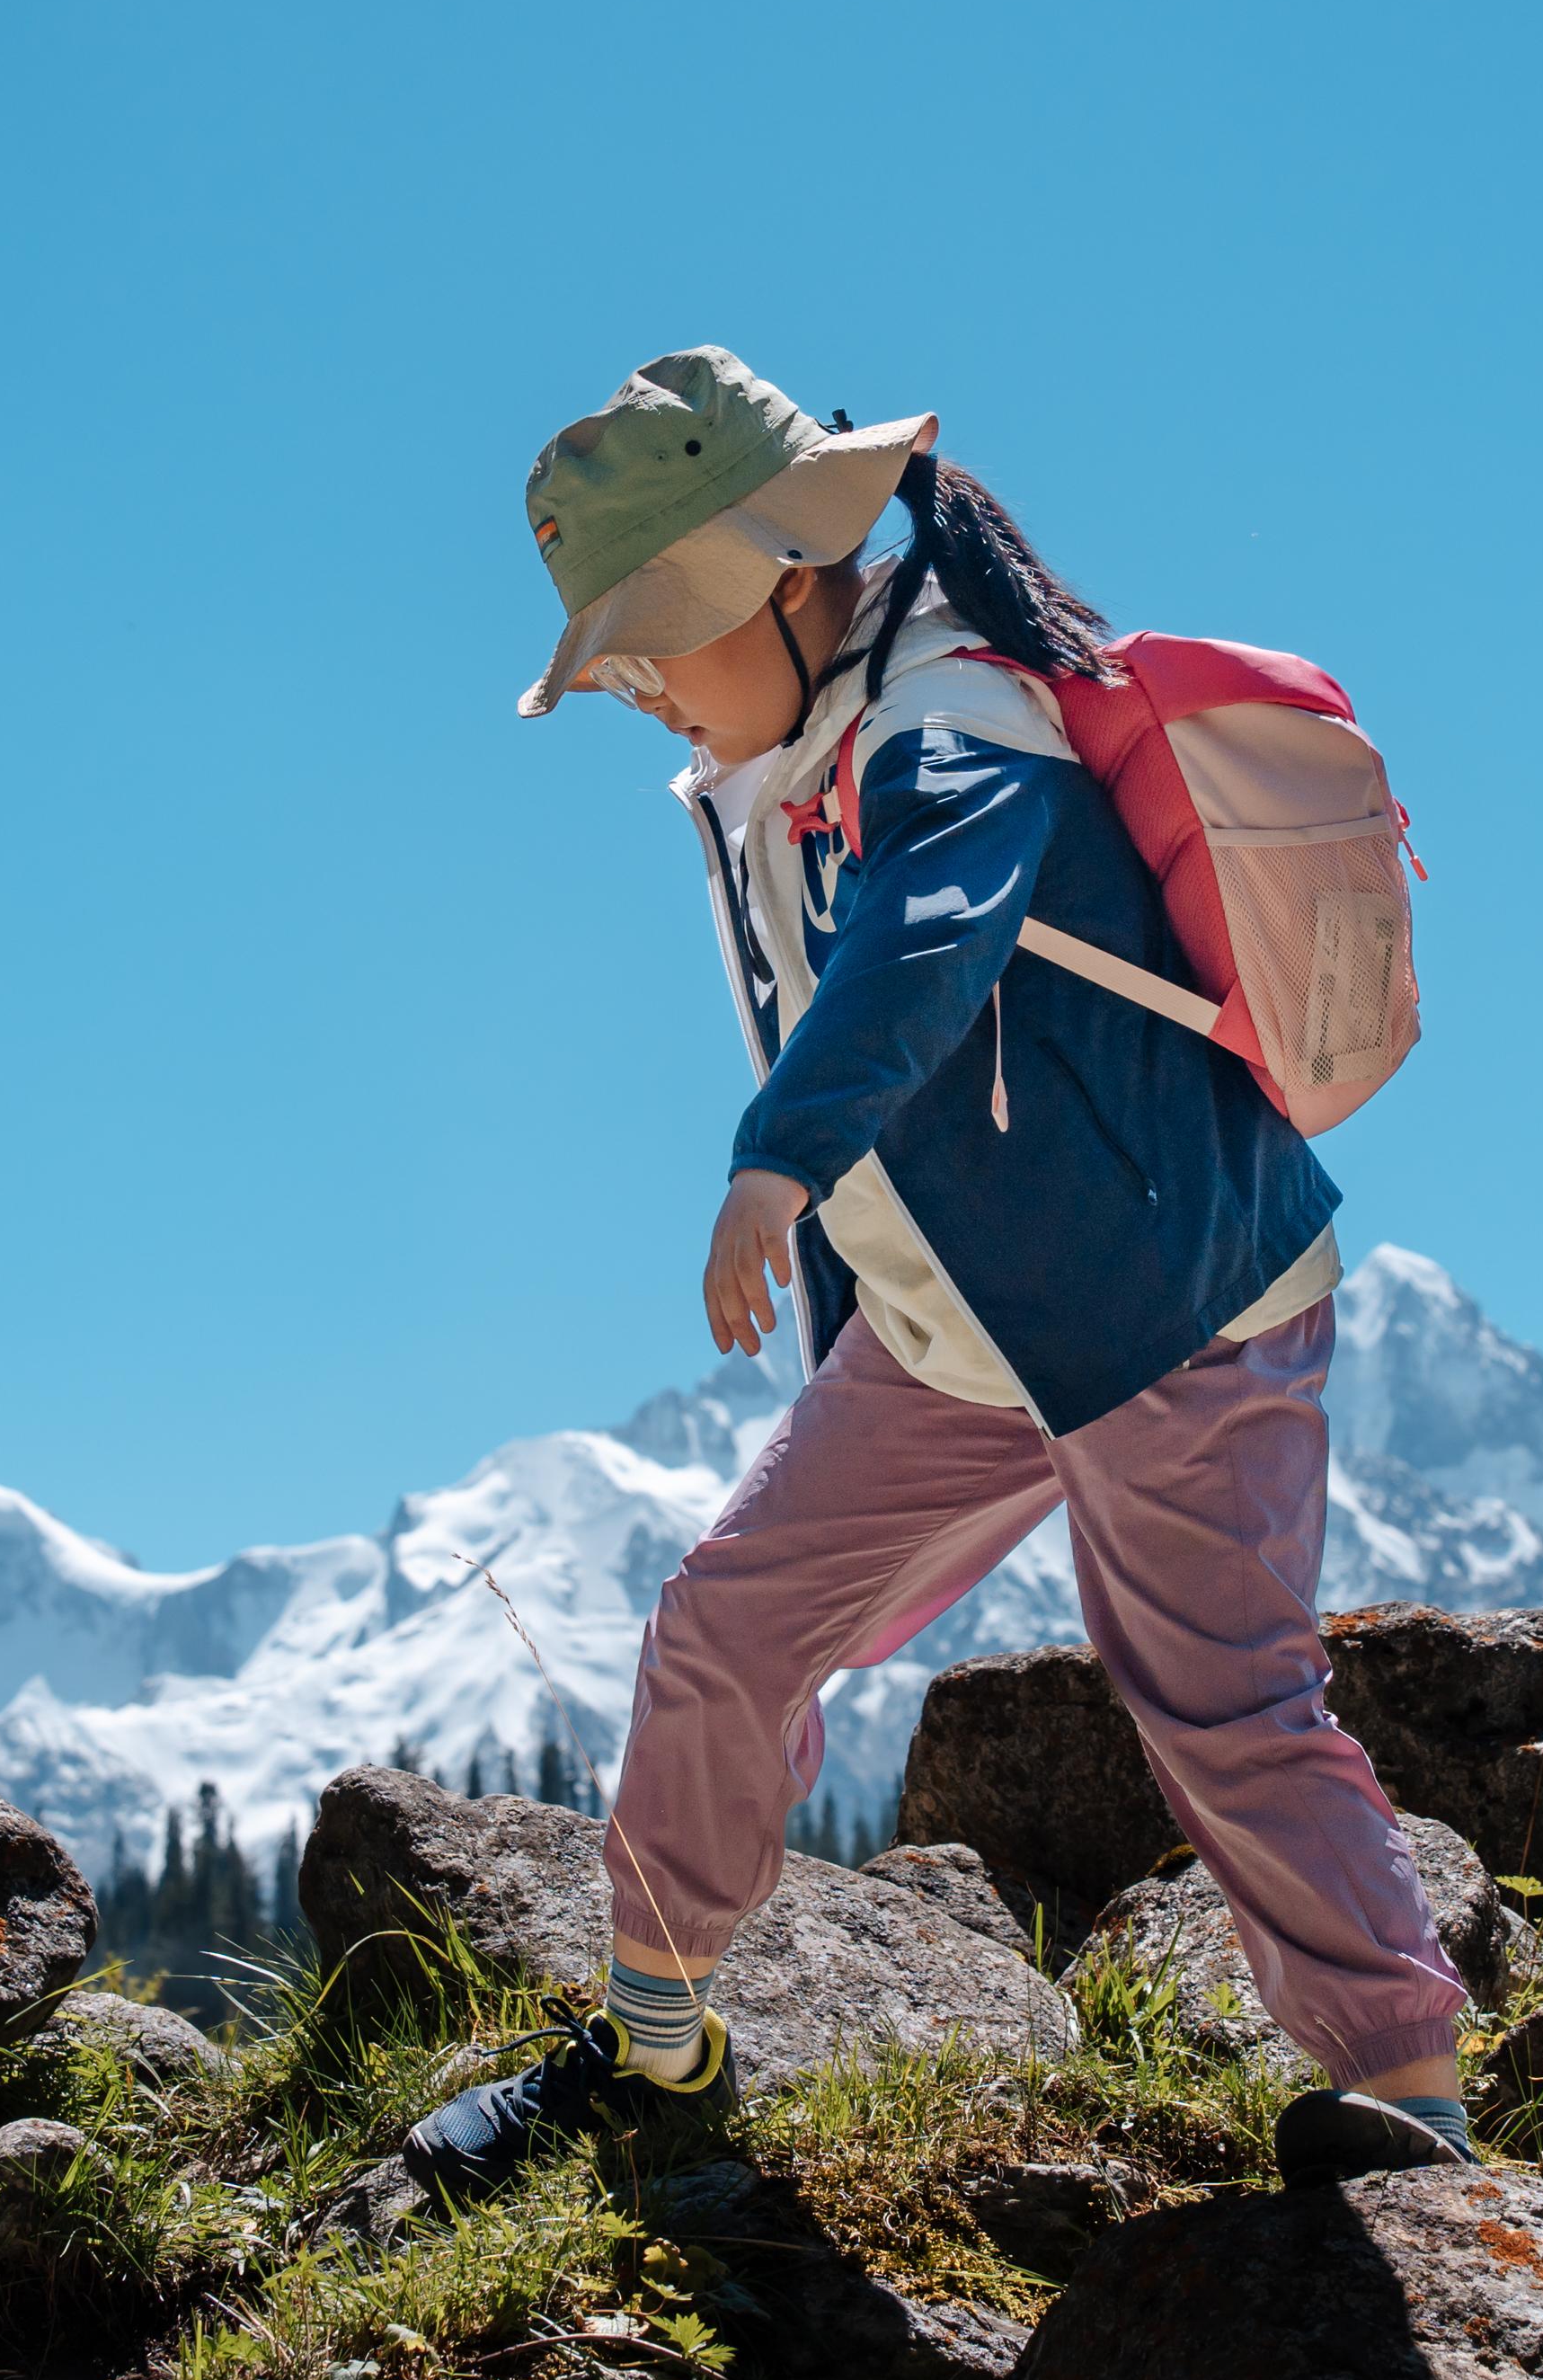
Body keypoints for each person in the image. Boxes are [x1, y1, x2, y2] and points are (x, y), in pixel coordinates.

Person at [404, 342, 1476, 2199]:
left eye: (652, 643)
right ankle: (651, 2048)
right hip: (960, 1331)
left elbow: (927, 935)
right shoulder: (795, 758)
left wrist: (773, 1159)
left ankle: (1411, 2099)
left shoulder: (956, 718)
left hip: (1174, 1302)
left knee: (1217, 1695)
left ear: (779, 579)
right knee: (724, 1628)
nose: (642, 692)